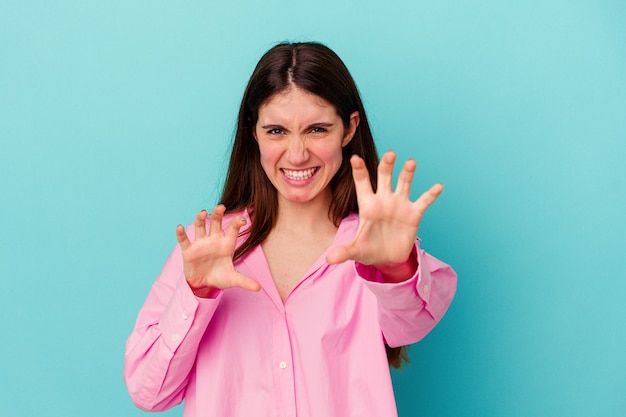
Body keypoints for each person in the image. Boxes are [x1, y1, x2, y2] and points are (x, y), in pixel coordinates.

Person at [124, 41, 457, 417]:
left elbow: (411, 324)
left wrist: (397, 269)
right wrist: (196, 294)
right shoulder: (208, 248)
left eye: (317, 129)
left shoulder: (372, 247)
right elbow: (148, 393)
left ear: (348, 129)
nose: (297, 154)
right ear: (253, 132)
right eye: (277, 131)